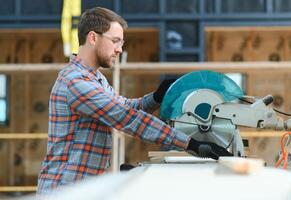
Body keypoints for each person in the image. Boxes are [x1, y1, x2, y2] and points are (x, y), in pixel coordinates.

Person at [37, 7, 232, 194]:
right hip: (65, 190)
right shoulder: (75, 82)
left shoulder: (96, 79)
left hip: (82, 189)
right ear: (93, 37)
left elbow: (124, 106)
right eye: (115, 41)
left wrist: (156, 97)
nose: (120, 49)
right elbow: (126, 117)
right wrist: (192, 144)